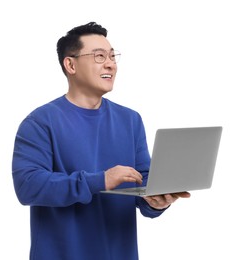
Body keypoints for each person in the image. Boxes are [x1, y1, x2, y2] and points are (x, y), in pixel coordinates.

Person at [12, 21, 190, 260]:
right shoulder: (40, 122)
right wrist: (101, 180)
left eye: (112, 56)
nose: (110, 63)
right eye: (99, 56)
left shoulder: (130, 120)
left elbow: (144, 182)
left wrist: (156, 201)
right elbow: (28, 187)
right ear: (70, 64)